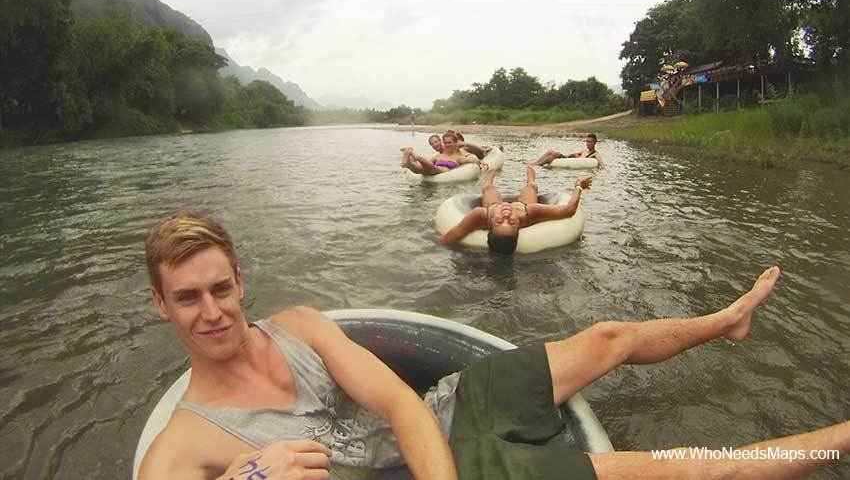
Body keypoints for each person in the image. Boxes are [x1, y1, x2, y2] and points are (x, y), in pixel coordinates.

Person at [139, 215, 850, 479]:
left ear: (241, 282)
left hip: (436, 420)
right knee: (662, 470)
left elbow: (393, 398)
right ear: (161, 306)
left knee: (606, 337)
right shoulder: (181, 445)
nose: (212, 313)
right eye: (188, 298)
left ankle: (725, 321)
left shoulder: (296, 325)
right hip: (431, 473)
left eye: (221, 290)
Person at [437, 165, 591, 255]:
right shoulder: (530, 213)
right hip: (523, 207)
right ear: (519, 226)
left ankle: (491, 177)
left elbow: (448, 238)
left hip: (492, 207)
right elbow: (569, 210)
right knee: (531, 187)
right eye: (511, 222)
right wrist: (578, 186)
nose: (506, 214)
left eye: (500, 221)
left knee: (488, 187)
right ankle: (530, 179)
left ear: (489, 225)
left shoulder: (480, 215)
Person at [401, 130, 484, 176]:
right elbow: (427, 162)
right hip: (433, 169)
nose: (447, 145)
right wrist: (411, 168)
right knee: (421, 170)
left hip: (441, 170)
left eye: (449, 143)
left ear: (455, 143)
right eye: (446, 143)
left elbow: (472, 159)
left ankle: (415, 156)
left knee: (432, 169)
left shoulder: (458, 157)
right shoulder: (438, 156)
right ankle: (409, 163)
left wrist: (481, 160)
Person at [529, 133, 605, 169]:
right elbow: (574, 154)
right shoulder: (585, 150)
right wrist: (568, 155)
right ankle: (535, 162)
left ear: (595, 142)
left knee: (554, 153)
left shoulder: (596, 154)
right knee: (550, 151)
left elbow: (602, 166)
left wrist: (599, 170)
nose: (587, 144)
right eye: (586, 141)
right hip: (568, 159)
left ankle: (538, 164)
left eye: (590, 142)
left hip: (572, 162)